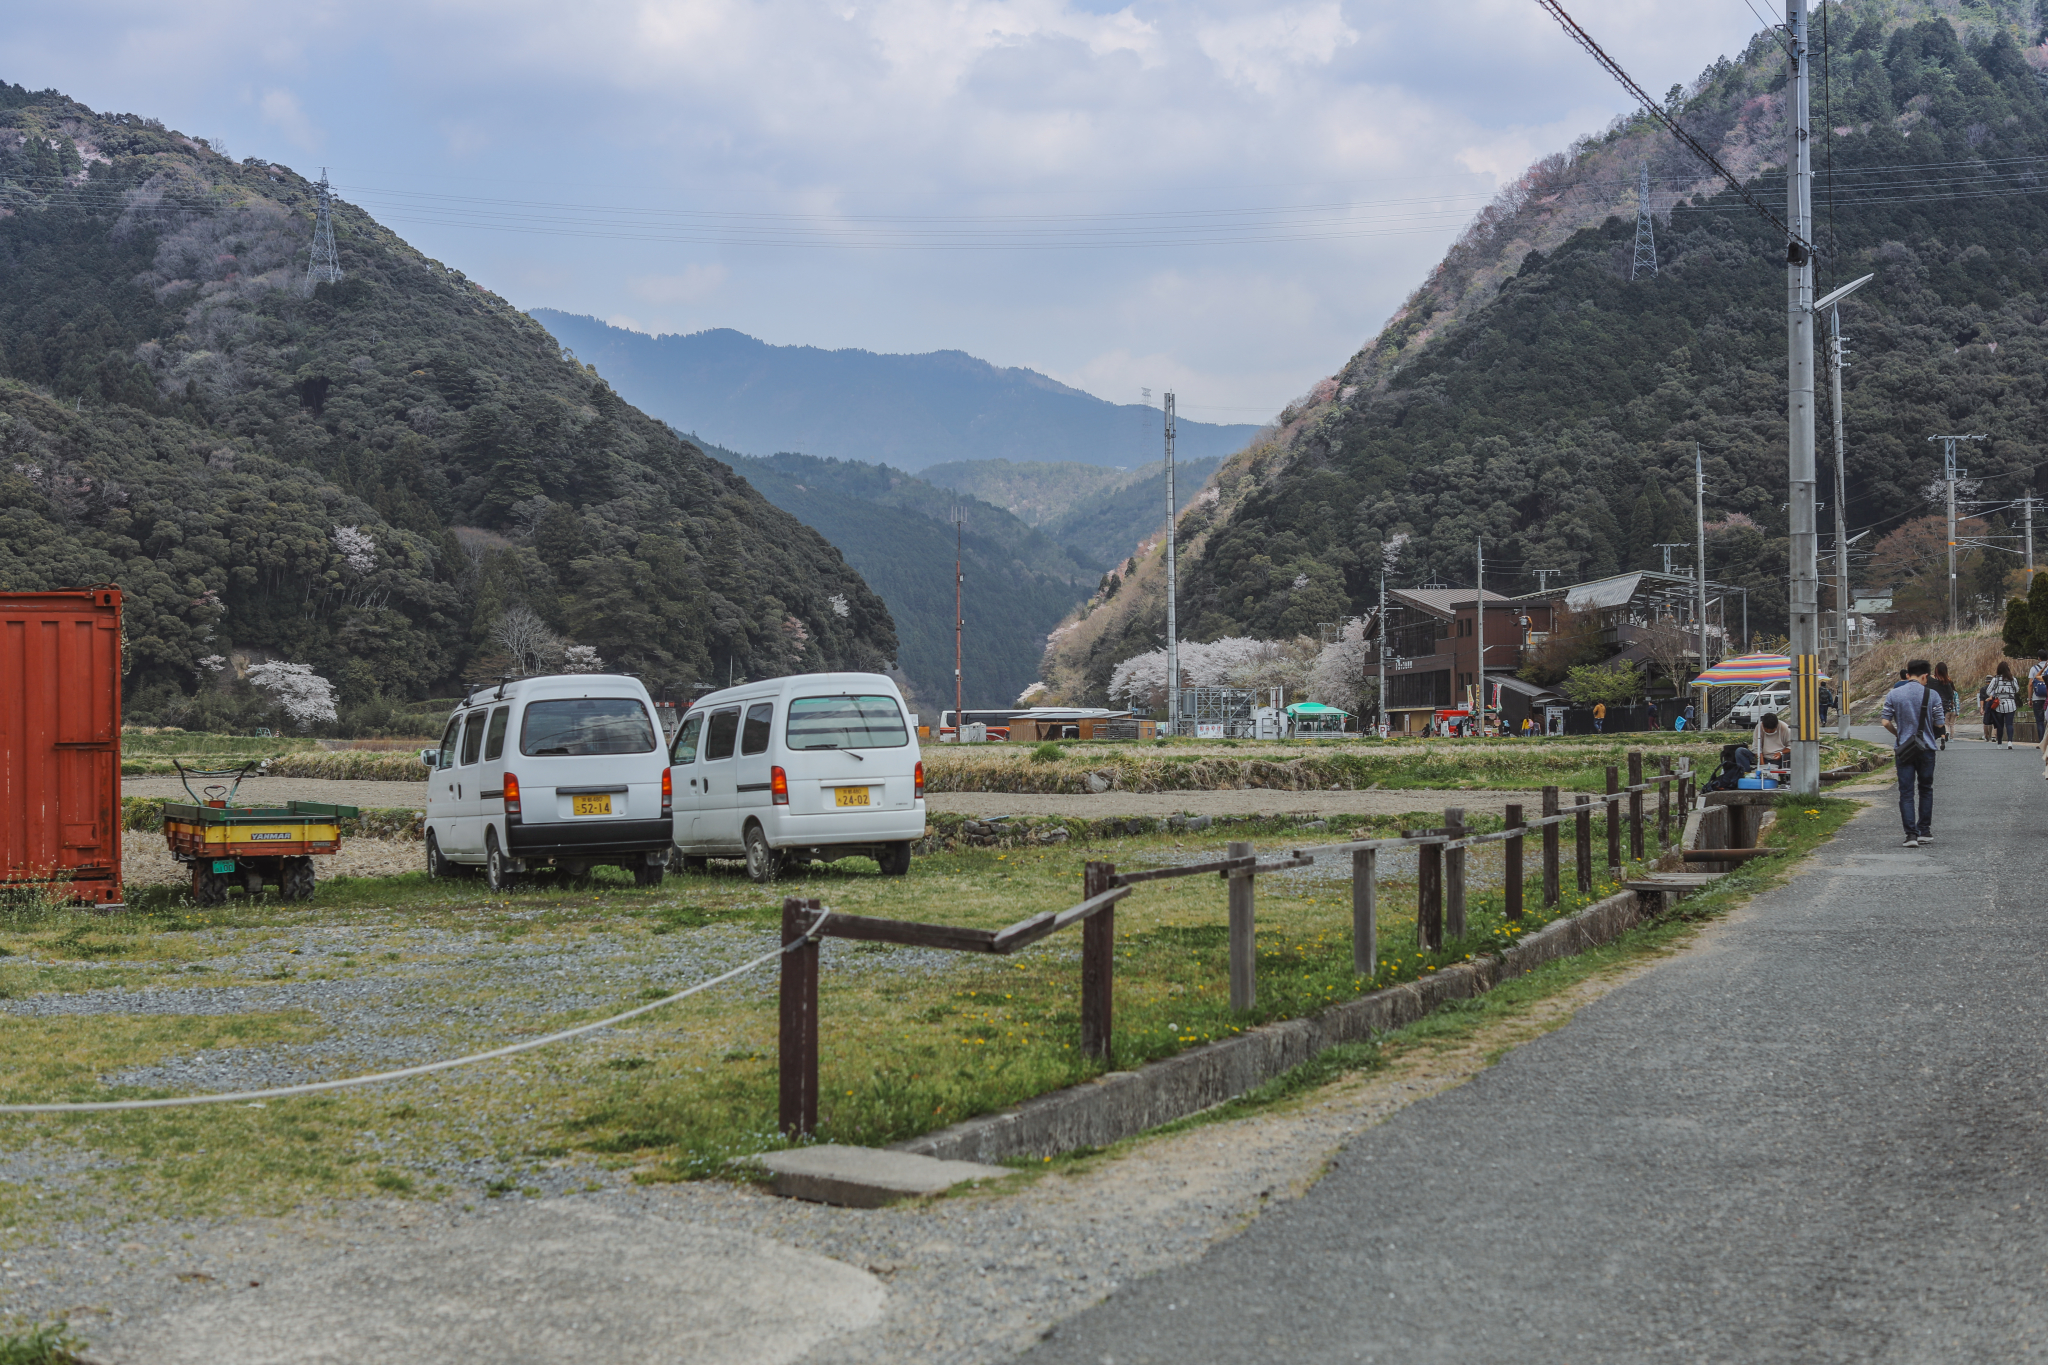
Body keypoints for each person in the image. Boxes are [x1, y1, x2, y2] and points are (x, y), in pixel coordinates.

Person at [1881, 659, 1946, 847]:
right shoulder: (1932, 695)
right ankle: (1924, 831)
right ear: (1925, 676)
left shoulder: (1894, 694)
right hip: (1926, 749)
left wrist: (1899, 734)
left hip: (1904, 749)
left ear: (1908, 674)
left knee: (1906, 792)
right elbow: (1940, 724)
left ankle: (1911, 835)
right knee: (1926, 789)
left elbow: (1885, 722)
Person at [1986, 661, 2021, 748]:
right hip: (2011, 703)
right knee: (2009, 724)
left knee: (2000, 724)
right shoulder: (2013, 679)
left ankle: (2000, 743)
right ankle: (2009, 742)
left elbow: (1988, 691)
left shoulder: (1996, 679)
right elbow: (2017, 690)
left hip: (1999, 704)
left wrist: (1995, 694)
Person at [1930, 663, 1959, 751]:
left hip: (1931, 704)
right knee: (1940, 722)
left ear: (1936, 670)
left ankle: (1932, 739)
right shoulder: (1947, 681)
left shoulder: (1930, 679)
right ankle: (1942, 736)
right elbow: (1950, 695)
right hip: (1943, 706)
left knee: (1931, 722)